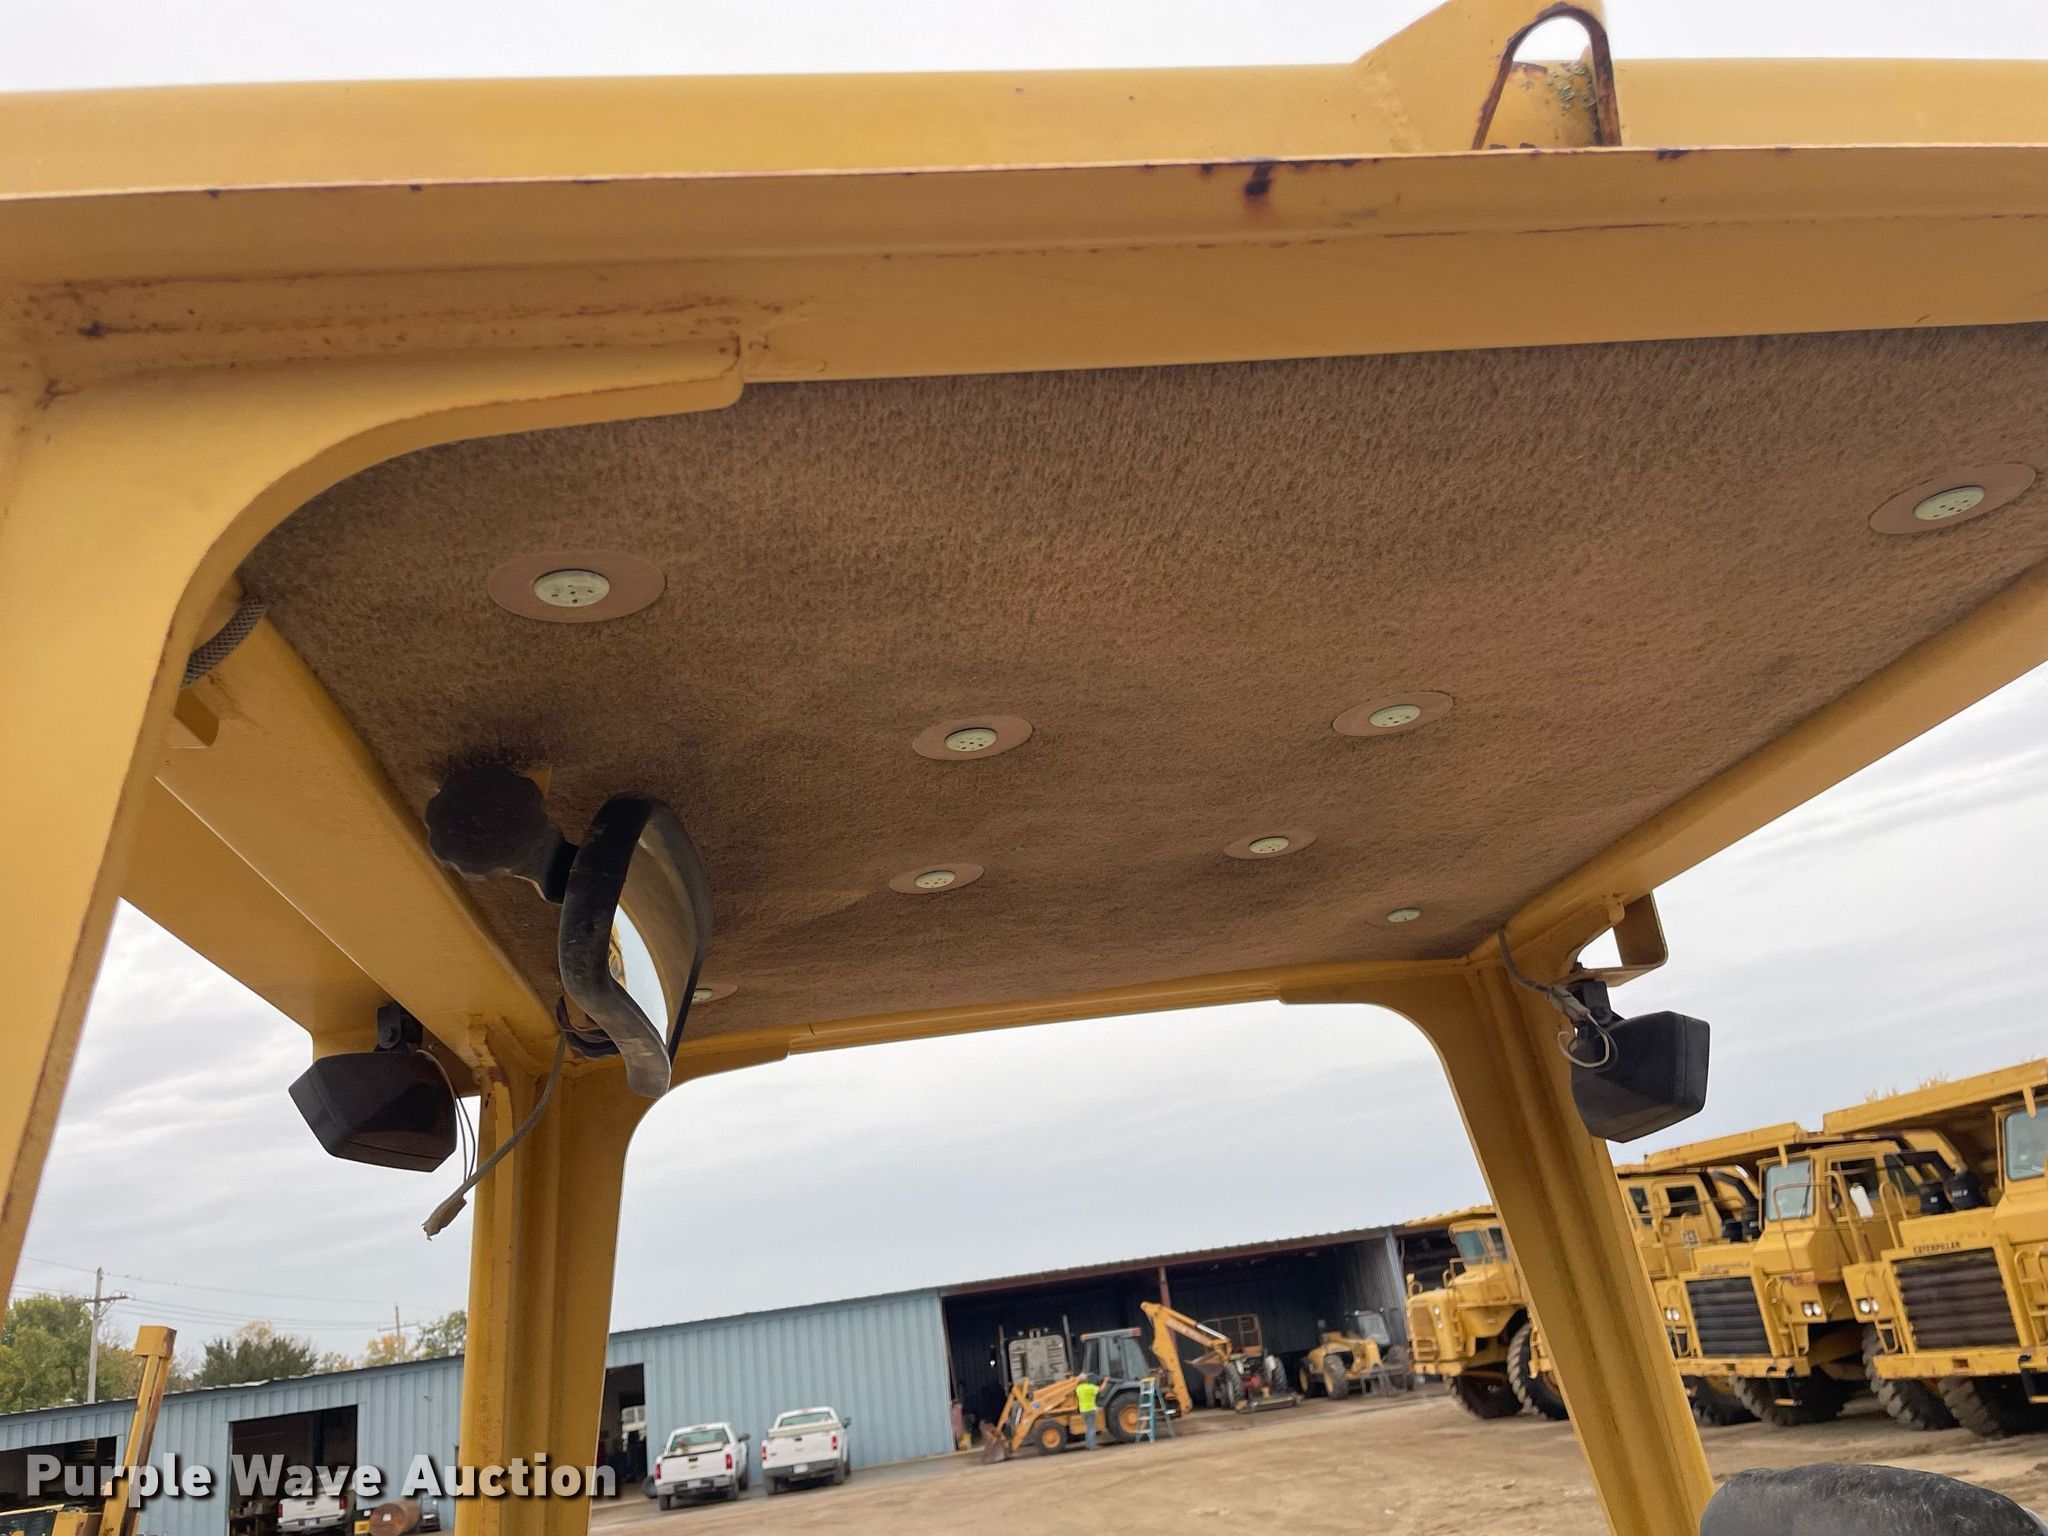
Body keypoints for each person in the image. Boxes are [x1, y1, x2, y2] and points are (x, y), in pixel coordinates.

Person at [1075, 1375, 1101, 1451]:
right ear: (1085, 1380)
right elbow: (1101, 1389)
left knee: (1088, 1428)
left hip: (1083, 1411)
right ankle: (1092, 1446)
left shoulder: (1078, 1389)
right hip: (1090, 1409)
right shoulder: (1089, 1387)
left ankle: (1088, 1445)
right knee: (1091, 1428)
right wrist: (1105, 1381)